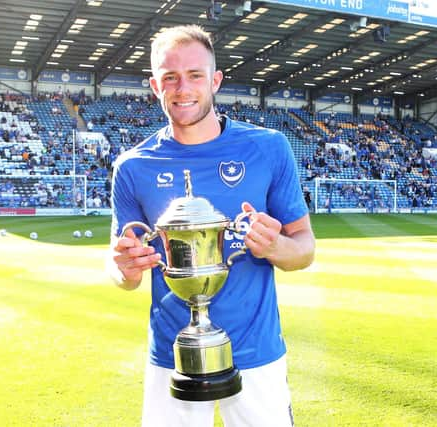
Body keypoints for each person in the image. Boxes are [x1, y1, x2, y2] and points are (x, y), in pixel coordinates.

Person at [106, 25, 315, 427]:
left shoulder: (268, 147)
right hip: (172, 356)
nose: (182, 88)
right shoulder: (133, 166)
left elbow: (304, 249)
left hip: (256, 353)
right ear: (155, 86)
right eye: (170, 77)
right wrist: (123, 268)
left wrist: (274, 247)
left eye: (195, 75)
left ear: (215, 80)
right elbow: (120, 269)